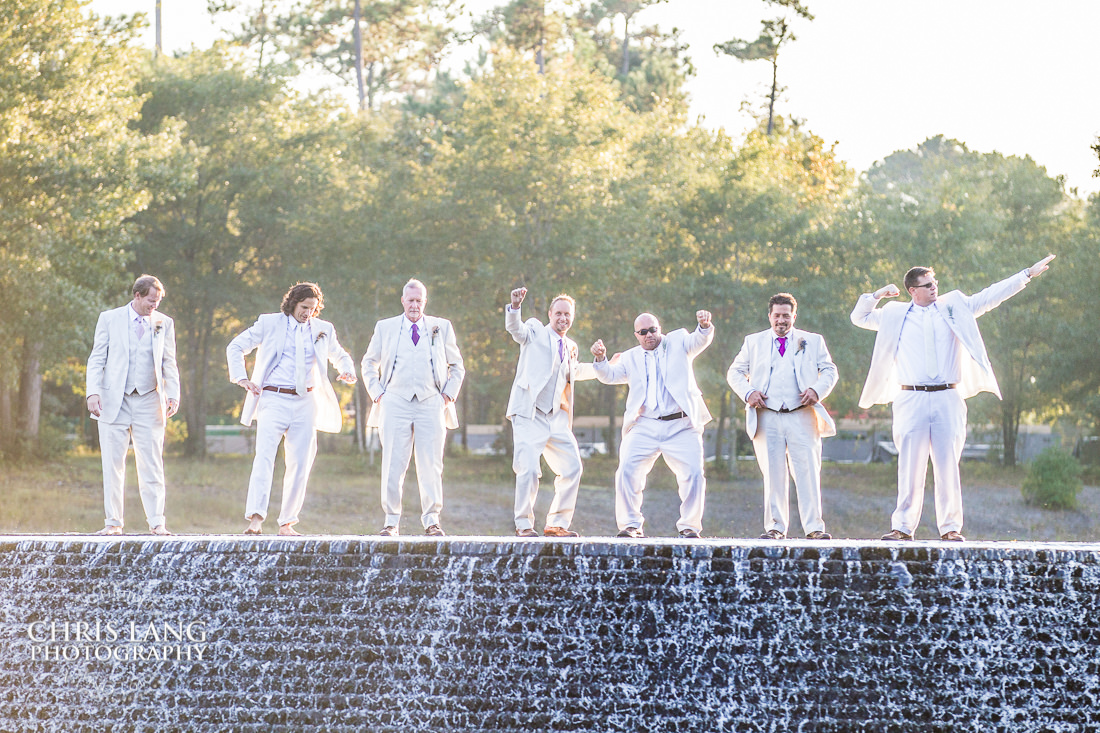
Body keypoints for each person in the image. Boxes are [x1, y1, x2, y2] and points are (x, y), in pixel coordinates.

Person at [851, 254, 1056, 542]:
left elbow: (990, 296)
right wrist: (878, 295)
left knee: (948, 464)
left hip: (948, 395)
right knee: (910, 464)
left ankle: (950, 528)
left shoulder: (954, 305)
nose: (934, 288)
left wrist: (1026, 275)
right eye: (927, 285)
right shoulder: (894, 314)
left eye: (935, 282)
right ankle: (902, 527)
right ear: (913, 290)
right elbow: (858, 317)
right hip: (910, 397)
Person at [227, 282, 356, 536]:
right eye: (304, 307)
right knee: (264, 457)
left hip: (306, 401)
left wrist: (347, 369)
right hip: (273, 398)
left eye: (313, 308)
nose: (308, 312)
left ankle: (287, 522)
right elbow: (235, 346)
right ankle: (255, 519)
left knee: (300, 462)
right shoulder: (269, 323)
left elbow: (339, 355)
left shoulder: (323, 330)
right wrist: (241, 378)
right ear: (293, 303)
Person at [591, 310, 714, 538]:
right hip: (645, 424)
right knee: (626, 469)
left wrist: (704, 326)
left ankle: (689, 527)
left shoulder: (678, 341)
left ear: (660, 328)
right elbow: (609, 375)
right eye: (643, 332)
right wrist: (600, 359)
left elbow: (699, 340)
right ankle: (630, 525)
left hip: (681, 424)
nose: (649, 335)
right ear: (636, 335)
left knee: (694, 473)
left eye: (653, 330)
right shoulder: (630, 357)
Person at [728, 293, 839, 541]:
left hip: (802, 414)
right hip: (767, 416)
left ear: (794, 317)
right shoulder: (753, 342)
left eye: (786, 316)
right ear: (769, 316)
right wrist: (748, 393)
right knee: (773, 473)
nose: (781, 320)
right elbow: (734, 372)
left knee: (808, 472)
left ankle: (814, 528)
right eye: (777, 315)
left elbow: (830, 370)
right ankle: (776, 527)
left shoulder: (812, 340)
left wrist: (817, 391)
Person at [361, 279, 465, 537]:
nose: (415, 305)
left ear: (425, 302)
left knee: (431, 463)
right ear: (403, 301)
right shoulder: (385, 327)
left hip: (432, 401)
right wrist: (378, 394)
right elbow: (368, 363)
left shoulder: (442, 327)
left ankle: (432, 521)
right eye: (411, 300)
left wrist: (447, 397)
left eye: (419, 301)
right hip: (394, 400)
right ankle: (391, 521)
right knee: (393, 463)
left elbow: (457, 366)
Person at [85, 274, 180, 536]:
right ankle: (113, 522)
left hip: (150, 399)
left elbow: (168, 362)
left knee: (151, 462)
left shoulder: (164, 323)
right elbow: (97, 359)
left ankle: (157, 521)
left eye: (158, 301)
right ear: (137, 295)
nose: (155, 306)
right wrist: (92, 393)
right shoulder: (109, 318)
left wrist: (173, 394)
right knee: (113, 463)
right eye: (151, 300)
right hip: (114, 399)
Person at [505, 288, 598, 537]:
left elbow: (574, 373)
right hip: (529, 412)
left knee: (572, 468)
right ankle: (524, 525)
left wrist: (604, 366)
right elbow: (517, 330)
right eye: (559, 313)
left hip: (555, 417)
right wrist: (515, 307)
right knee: (528, 469)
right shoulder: (535, 330)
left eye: (568, 314)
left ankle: (557, 524)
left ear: (573, 317)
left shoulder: (571, 346)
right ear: (550, 314)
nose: (563, 318)